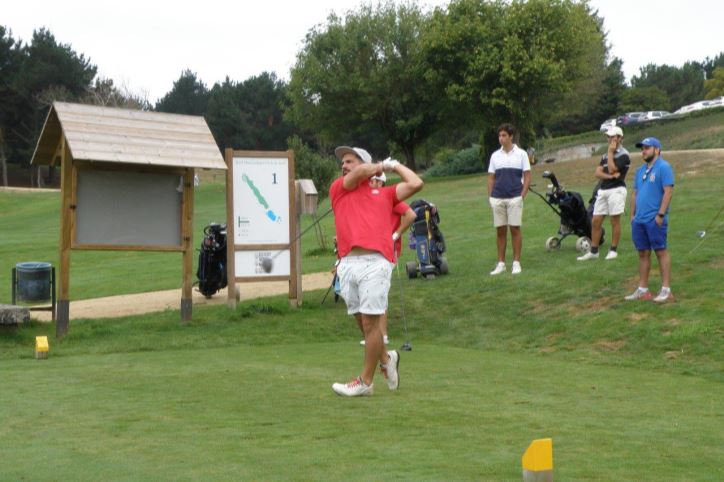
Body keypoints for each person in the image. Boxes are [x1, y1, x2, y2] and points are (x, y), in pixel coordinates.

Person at [330, 146, 423, 397]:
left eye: (350, 161)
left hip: (376, 262)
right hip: (348, 263)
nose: (344, 165)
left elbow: (415, 183)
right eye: (343, 162)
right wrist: (379, 166)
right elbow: (356, 175)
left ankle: (365, 381)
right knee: (362, 322)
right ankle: (387, 359)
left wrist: (394, 166)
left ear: (364, 163)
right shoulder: (339, 188)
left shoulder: (385, 194)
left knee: (372, 323)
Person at [359, 172, 416, 347]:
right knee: (373, 292)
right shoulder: (371, 201)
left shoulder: (390, 199)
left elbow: (411, 215)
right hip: (374, 250)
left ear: (380, 182)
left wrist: (396, 234)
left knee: (379, 292)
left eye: (373, 181)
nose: (370, 184)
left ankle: (382, 336)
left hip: (388, 250)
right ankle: (376, 335)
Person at [625, 137, 675, 302]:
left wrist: (660, 215)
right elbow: (635, 193)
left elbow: (668, 191)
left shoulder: (664, 167)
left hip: (654, 219)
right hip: (639, 220)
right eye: (642, 148)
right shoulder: (640, 170)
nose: (643, 151)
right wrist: (632, 215)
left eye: (647, 148)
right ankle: (643, 289)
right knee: (643, 253)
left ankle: (666, 290)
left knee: (660, 251)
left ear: (657, 149)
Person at [578, 126, 631, 261]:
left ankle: (613, 250)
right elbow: (598, 173)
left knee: (614, 220)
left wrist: (610, 153)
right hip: (603, 190)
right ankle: (594, 251)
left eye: (612, 136)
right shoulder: (604, 156)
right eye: (608, 137)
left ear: (620, 138)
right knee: (596, 221)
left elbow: (612, 169)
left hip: (617, 190)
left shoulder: (624, 155)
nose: (609, 139)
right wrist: (610, 176)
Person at [487, 123, 531, 275]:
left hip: (514, 197)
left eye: (504, 135)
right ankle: (501, 263)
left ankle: (516, 263)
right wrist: (490, 197)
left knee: (515, 229)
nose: (501, 138)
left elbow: (527, 176)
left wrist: (522, 195)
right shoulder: (495, 156)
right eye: (499, 135)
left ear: (511, 136)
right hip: (498, 198)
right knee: (500, 231)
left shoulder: (522, 154)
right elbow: (491, 177)